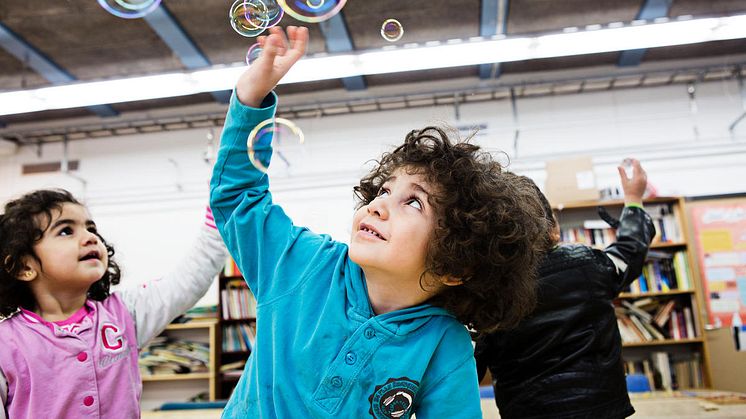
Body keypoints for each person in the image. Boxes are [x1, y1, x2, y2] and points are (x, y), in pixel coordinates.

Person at [210, 26, 549, 418]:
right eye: (384, 191)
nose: (378, 206)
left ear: (456, 265)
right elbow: (238, 199)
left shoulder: (444, 344)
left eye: (414, 203)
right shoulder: (302, 263)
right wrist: (251, 98)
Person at [0, 189, 228, 419]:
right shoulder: (5, 344)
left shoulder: (123, 314)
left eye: (91, 228)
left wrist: (220, 210)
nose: (91, 237)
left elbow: (187, 282)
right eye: (66, 230)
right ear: (23, 267)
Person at [474, 159, 655, 419]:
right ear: (554, 230)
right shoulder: (590, 265)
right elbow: (630, 249)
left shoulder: (485, 294)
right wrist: (634, 200)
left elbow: (468, 368)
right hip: (601, 412)